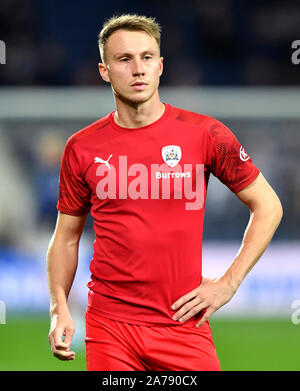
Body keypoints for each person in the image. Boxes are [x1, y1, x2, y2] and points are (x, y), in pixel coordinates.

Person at [47, 14, 283, 371]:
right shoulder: (81, 148)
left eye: (146, 57)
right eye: (124, 59)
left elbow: (268, 206)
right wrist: (58, 307)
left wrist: (228, 283)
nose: (137, 69)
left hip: (183, 323)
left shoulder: (206, 134)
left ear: (160, 65)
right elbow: (65, 238)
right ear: (104, 71)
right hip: (110, 326)